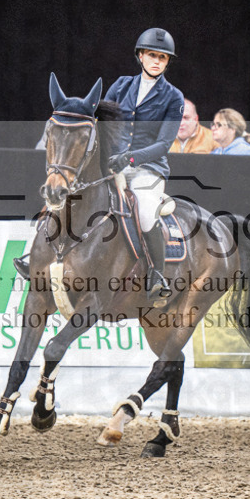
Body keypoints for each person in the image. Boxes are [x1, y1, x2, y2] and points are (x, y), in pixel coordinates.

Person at [103, 27, 186, 302]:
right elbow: (104, 123)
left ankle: (157, 274)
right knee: (73, 192)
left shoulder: (173, 97)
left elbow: (163, 144)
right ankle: (39, 257)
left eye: (163, 58)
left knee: (147, 211)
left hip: (148, 169)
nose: (157, 61)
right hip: (112, 164)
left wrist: (129, 159)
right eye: (152, 55)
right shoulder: (121, 86)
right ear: (140, 56)